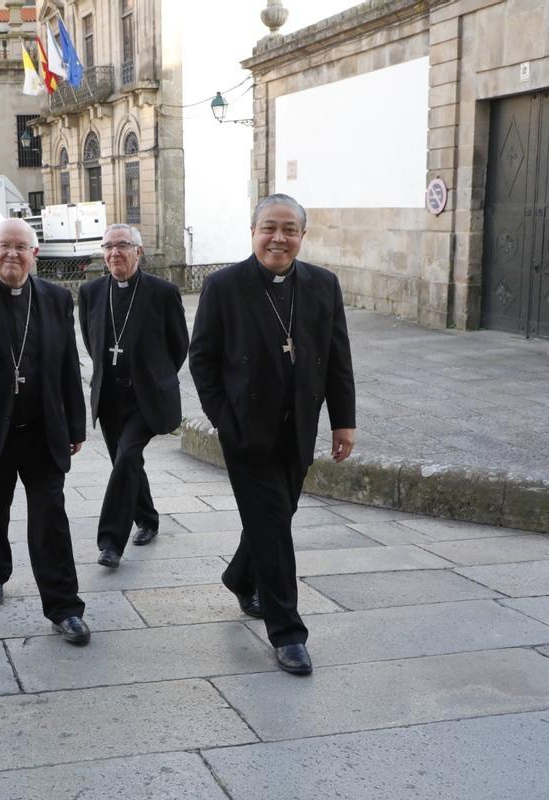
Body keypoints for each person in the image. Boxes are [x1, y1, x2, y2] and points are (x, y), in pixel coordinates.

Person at [189, 193, 356, 676]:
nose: (278, 238)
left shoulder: (324, 284)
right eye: (269, 228)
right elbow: (202, 358)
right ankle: (288, 633)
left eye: (289, 229)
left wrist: (343, 420)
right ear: (254, 231)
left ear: (302, 236)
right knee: (274, 528)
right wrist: (224, 418)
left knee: (277, 517)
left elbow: (338, 357)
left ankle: (239, 575)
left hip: (299, 429)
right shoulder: (224, 285)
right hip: (246, 431)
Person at [0, 219, 91, 645]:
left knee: (51, 519)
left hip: (42, 429)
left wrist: (75, 423)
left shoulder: (54, 298)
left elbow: (69, 363)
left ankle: (64, 606)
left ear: (35, 253)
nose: (12, 254)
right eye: (4, 246)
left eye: (21, 247)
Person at [78, 224, 188, 568]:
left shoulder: (162, 292)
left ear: (138, 252)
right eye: (108, 246)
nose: (115, 253)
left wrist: (156, 376)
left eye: (123, 245)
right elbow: (90, 338)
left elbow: (179, 344)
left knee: (126, 457)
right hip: (109, 396)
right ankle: (148, 518)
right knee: (126, 461)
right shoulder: (92, 292)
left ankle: (111, 542)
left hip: (146, 398)